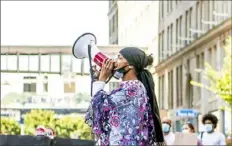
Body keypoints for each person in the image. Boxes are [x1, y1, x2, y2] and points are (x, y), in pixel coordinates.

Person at [85, 47, 165, 146]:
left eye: (119, 58)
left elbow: (97, 107)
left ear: (130, 66)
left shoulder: (132, 89)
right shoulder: (133, 87)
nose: (114, 61)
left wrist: (102, 79)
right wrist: (99, 79)